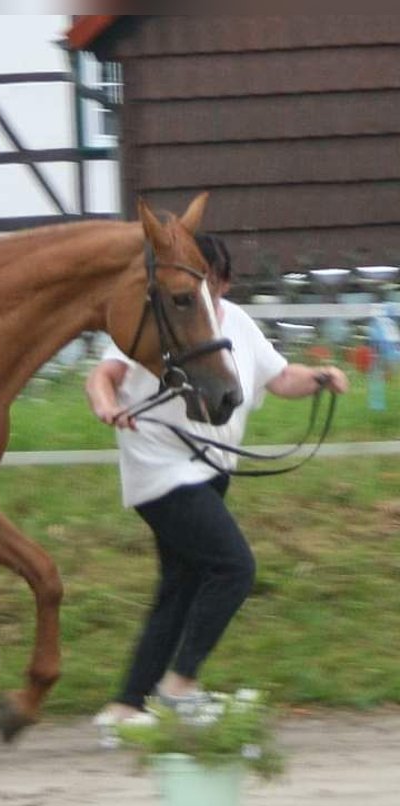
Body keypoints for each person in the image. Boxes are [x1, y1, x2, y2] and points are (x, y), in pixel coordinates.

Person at [86, 234, 349, 730]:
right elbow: (104, 374)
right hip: (161, 470)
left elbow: (278, 377)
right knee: (234, 568)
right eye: (201, 280)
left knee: (179, 588)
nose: (210, 290)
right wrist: (105, 404)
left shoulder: (239, 324)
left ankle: (124, 707)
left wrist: (318, 377)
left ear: (223, 281)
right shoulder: (158, 318)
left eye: (216, 281)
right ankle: (179, 686)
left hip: (211, 472)